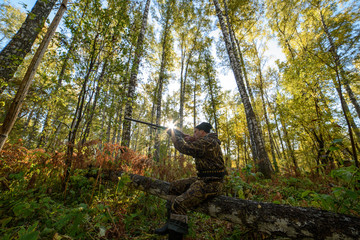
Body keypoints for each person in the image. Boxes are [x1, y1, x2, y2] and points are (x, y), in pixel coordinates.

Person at [154, 122, 226, 240]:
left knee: (179, 203)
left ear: (202, 132)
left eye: (195, 132)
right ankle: (170, 224)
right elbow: (195, 144)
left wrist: (175, 135)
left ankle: (175, 235)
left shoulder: (208, 142)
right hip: (203, 179)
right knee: (174, 186)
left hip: (212, 183)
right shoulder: (206, 141)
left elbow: (184, 148)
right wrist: (185, 137)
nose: (194, 134)